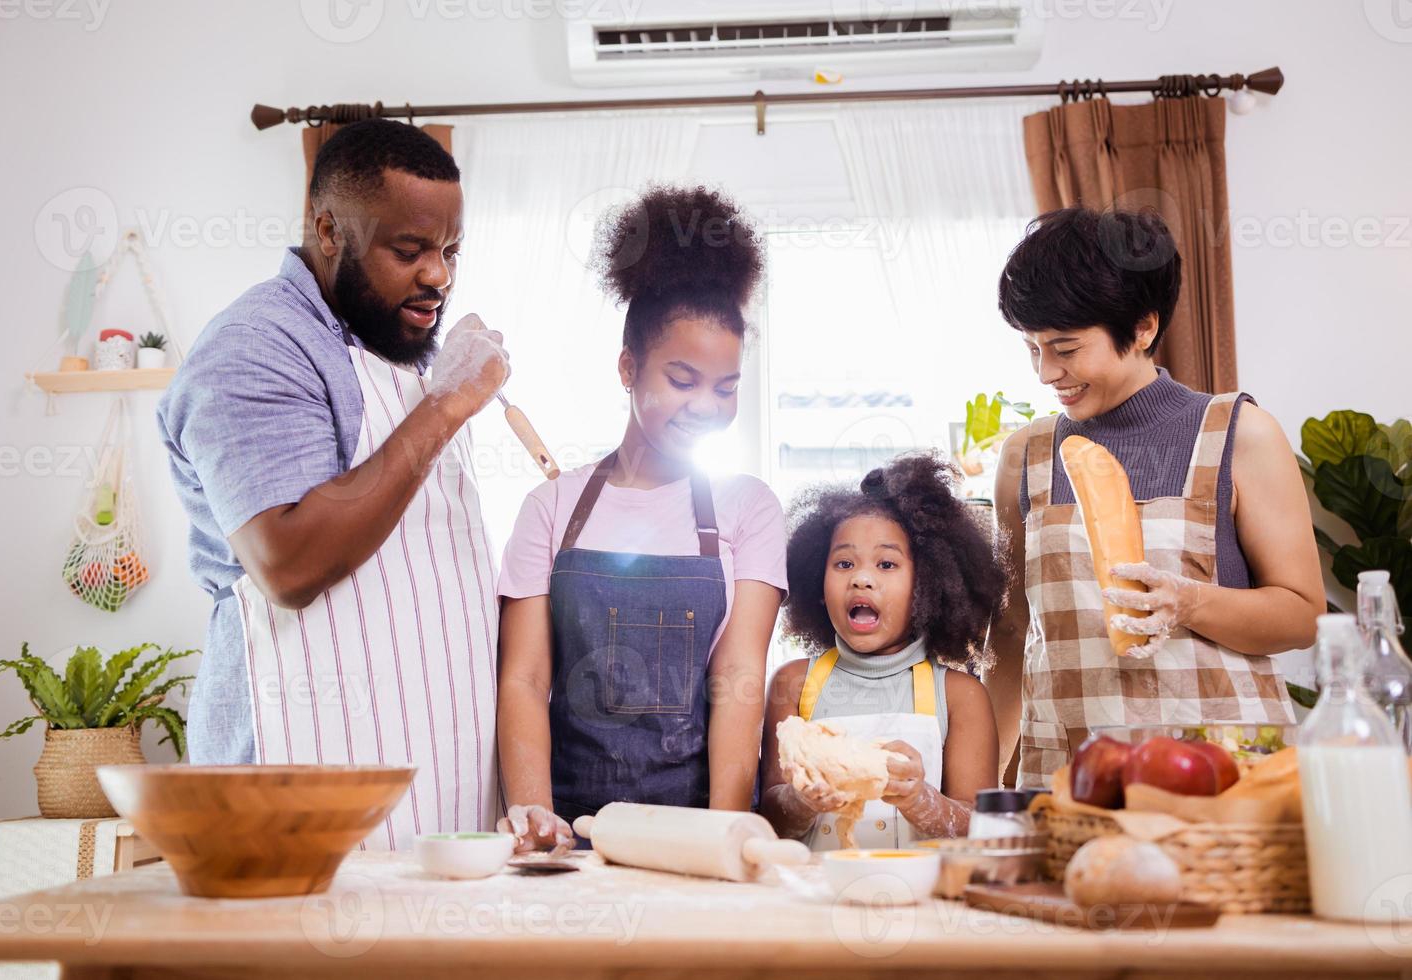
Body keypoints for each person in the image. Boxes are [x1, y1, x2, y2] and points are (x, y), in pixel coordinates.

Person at [158, 119, 509, 846]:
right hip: (296, 785)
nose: (438, 275)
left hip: (436, 784)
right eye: (409, 250)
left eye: (449, 251)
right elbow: (290, 561)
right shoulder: (257, 345)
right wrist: (448, 407)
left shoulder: (401, 344)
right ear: (327, 230)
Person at [984, 207, 1325, 788]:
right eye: (1032, 349)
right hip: (1073, 777)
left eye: (1065, 349)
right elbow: (1014, 631)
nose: (1046, 373)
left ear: (1143, 328)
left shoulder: (1239, 435)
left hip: (1225, 777)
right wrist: (974, 788)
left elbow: (1302, 615)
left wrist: (1188, 602)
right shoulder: (1027, 455)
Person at [494, 186, 787, 851]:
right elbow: (524, 679)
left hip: (692, 828)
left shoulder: (748, 509)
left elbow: (738, 684)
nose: (705, 406)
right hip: (567, 836)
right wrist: (537, 818)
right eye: (682, 380)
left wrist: (720, 834)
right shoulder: (552, 507)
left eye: (725, 386)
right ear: (628, 368)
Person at [759, 454, 1004, 846]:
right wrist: (799, 799)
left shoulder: (960, 696)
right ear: (817, 585)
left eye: (886, 564)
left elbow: (979, 827)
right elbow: (770, 817)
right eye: (843, 563)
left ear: (928, 584)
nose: (861, 579)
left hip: (920, 899)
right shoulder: (793, 683)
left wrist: (921, 800)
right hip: (816, 897)